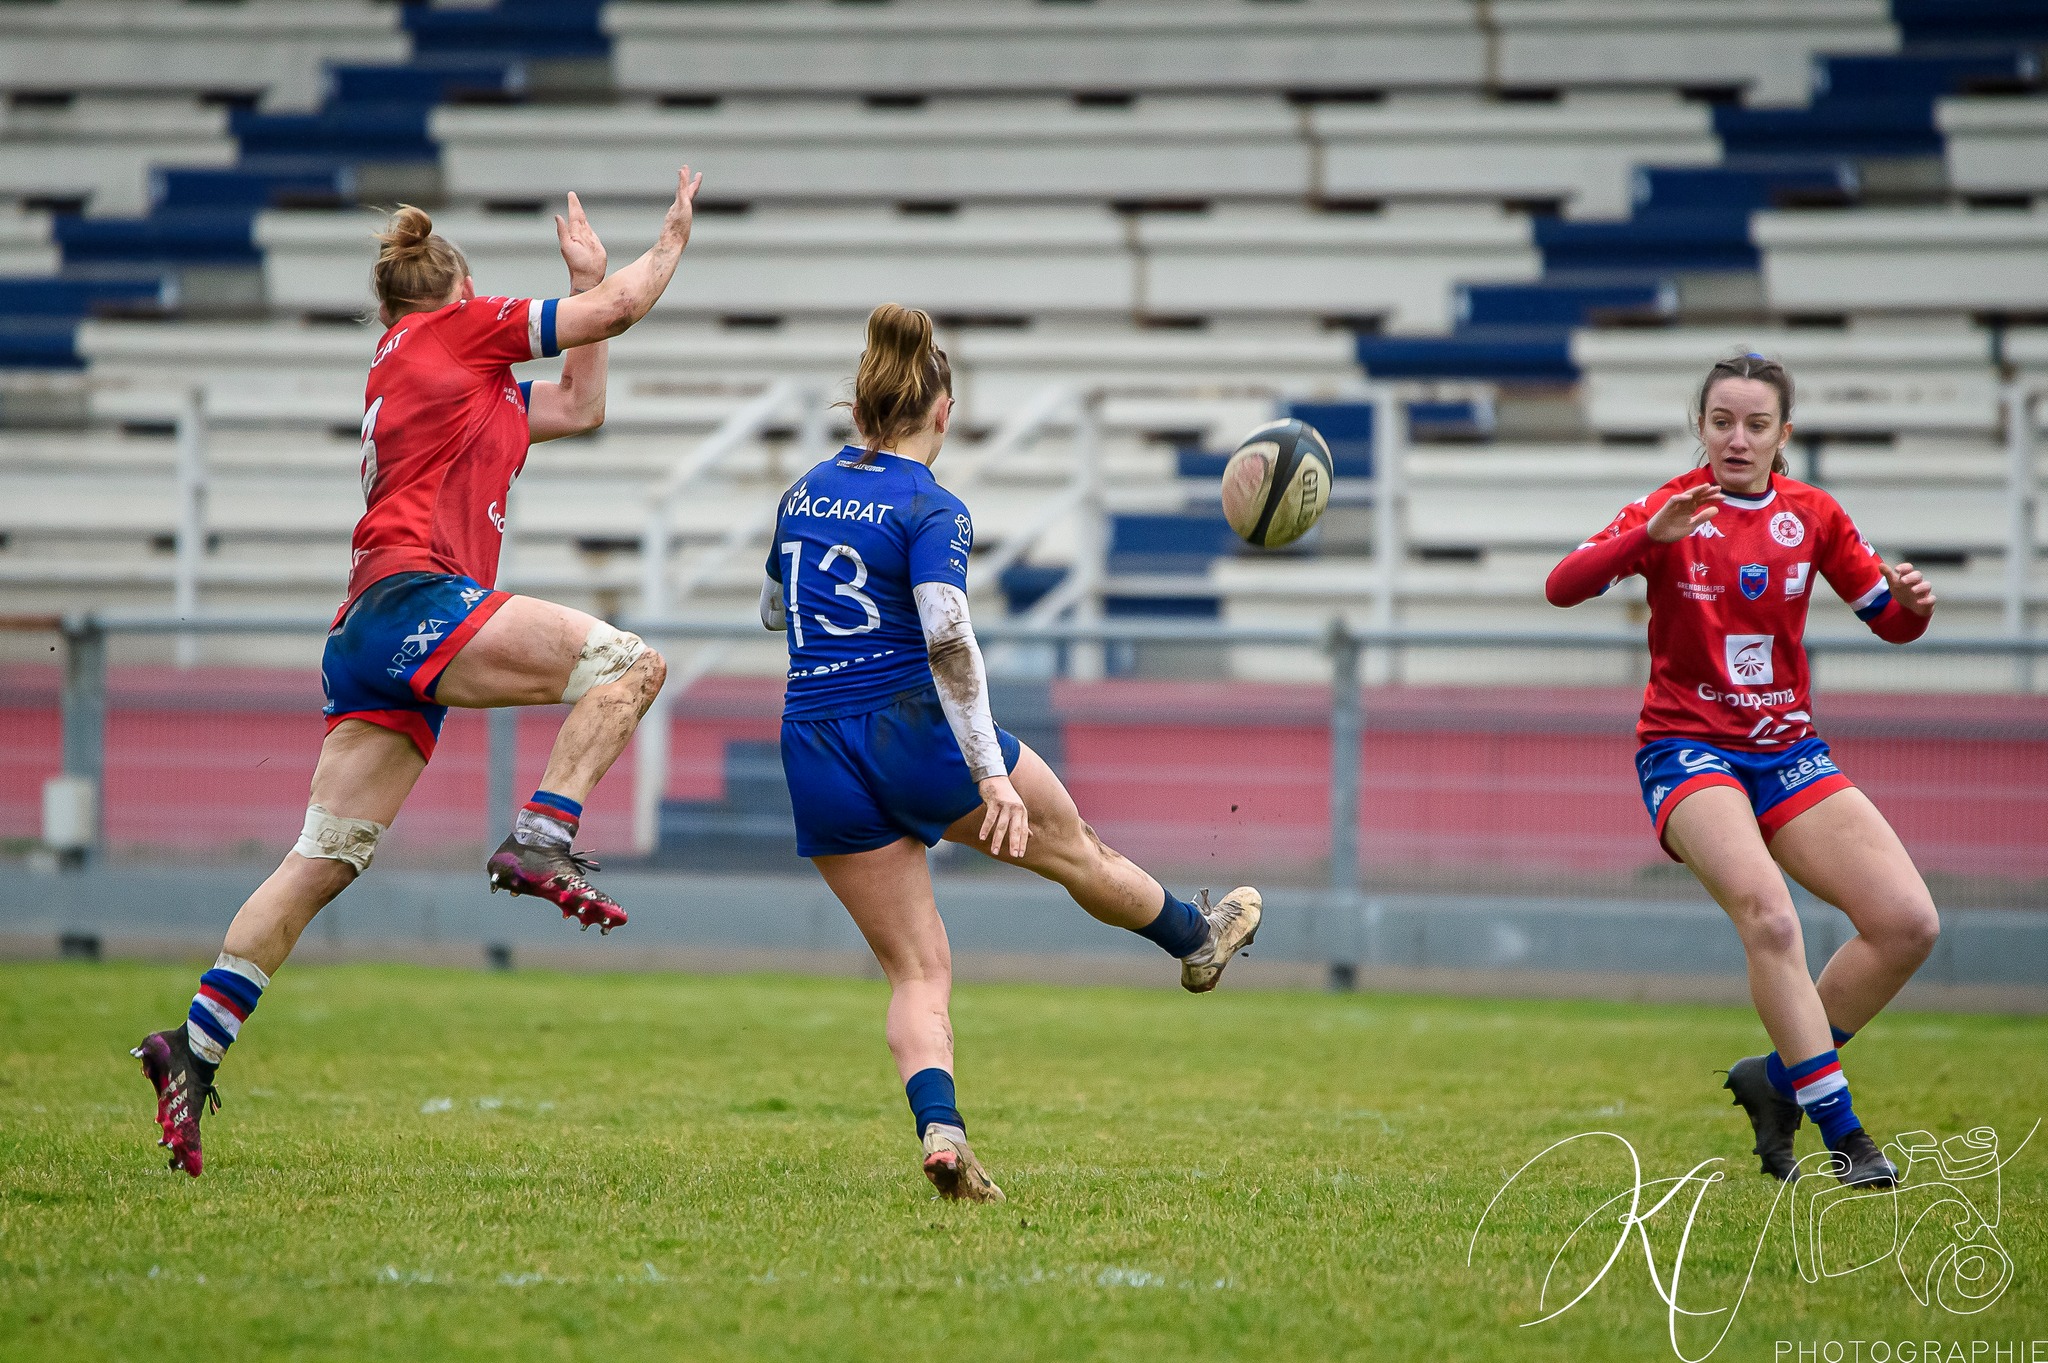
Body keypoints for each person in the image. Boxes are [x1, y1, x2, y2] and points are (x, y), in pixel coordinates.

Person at [133, 172, 705, 1177]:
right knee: (631, 666)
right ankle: (542, 834)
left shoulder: (427, 374)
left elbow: (581, 402)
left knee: (325, 856)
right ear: (463, 291)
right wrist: (662, 248)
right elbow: (614, 310)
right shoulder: (456, 335)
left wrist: (588, 280)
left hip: (366, 627)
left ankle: (192, 1045)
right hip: (415, 602)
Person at [763, 303, 1263, 1202]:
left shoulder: (799, 494)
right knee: (1079, 852)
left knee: (917, 970)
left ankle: (943, 1131)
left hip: (814, 740)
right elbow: (949, 638)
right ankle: (1196, 937)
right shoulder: (933, 506)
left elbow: (774, 609)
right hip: (911, 724)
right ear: (942, 411)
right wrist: (988, 771)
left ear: (862, 410)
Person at [1545, 352, 1939, 1188]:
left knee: (1908, 923)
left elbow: (1889, 624)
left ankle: (1777, 1076)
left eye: (1756, 423)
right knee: (1772, 918)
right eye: (1722, 420)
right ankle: (1847, 1135)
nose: (1737, 436)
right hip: (1687, 750)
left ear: (1782, 435)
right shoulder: (1668, 510)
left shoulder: (1814, 514)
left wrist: (1910, 607)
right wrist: (1641, 539)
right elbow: (1561, 585)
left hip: (1789, 753)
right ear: (1701, 427)